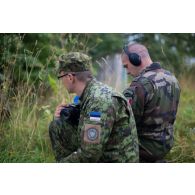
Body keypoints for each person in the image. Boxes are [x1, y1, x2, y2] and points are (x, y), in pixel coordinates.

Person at [49, 52, 139, 162]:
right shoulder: (93, 93)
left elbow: (90, 155)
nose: (61, 81)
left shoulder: (98, 101)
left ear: (70, 77)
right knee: (57, 125)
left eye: (60, 77)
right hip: (107, 152)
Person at [121, 43, 181, 162]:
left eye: (126, 66)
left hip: (143, 149)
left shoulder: (140, 85)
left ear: (136, 59)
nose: (127, 71)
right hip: (166, 145)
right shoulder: (172, 78)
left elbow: (126, 123)